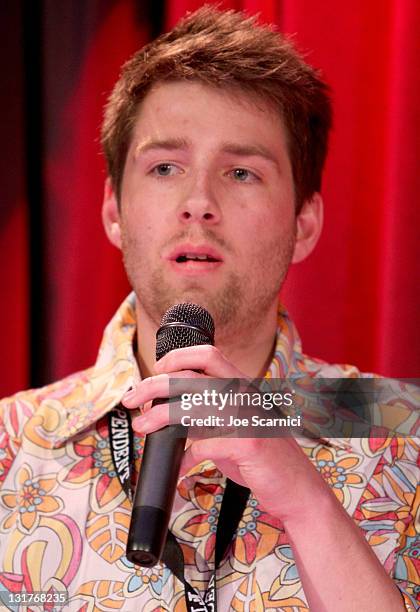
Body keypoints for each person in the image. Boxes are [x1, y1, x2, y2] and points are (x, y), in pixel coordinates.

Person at [0, 6, 418, 611]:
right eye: (165, 168)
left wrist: (306, 501)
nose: (199, 203)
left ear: (304, 223)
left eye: (242, 172)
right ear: (114, 210)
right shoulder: (11, 448)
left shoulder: (403, 431)